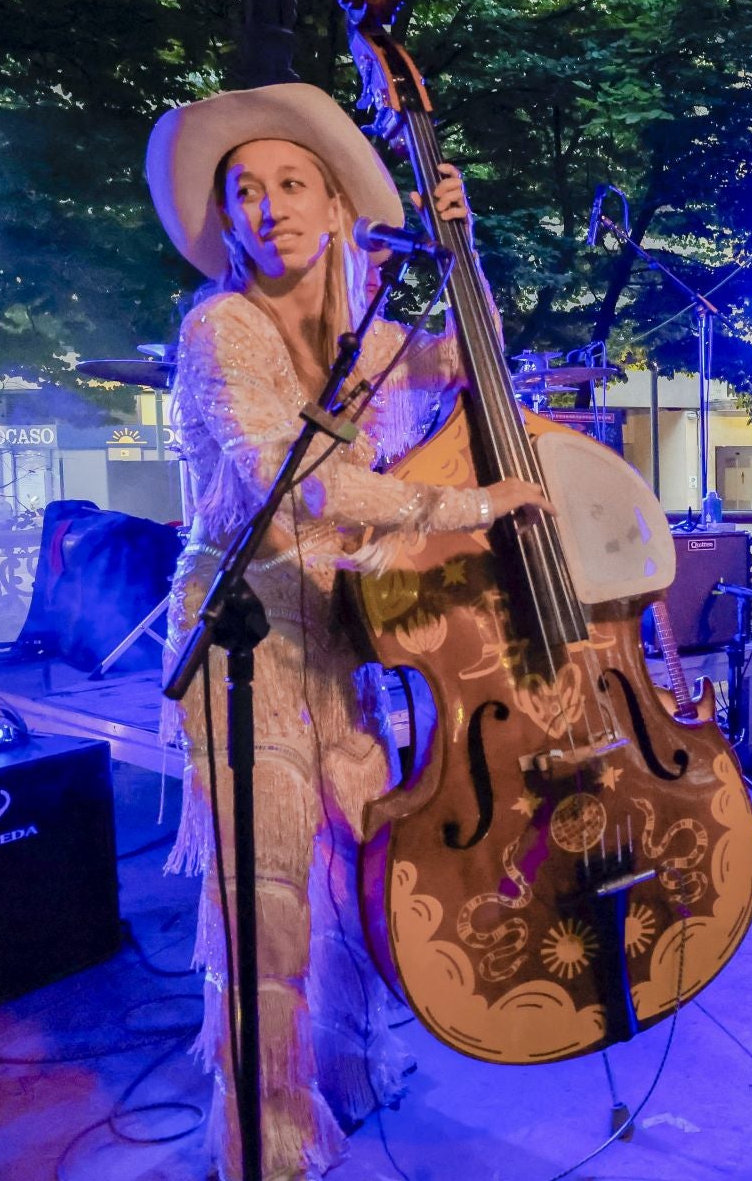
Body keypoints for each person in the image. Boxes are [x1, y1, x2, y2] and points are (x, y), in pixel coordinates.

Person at [146, 83, 549, 1180]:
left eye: (292, 185)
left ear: (333, 209)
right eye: (248, 193)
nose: (270, 208)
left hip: (336, 625)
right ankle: (264, 1147)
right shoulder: (219, 324)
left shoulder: (356, 342)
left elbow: (473, 356)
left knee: (371, 857)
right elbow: (303, 487)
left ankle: (351, 1070)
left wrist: (463, 248)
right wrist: (469, 508)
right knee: (267, 895)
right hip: (242, 628)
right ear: (228, 223)